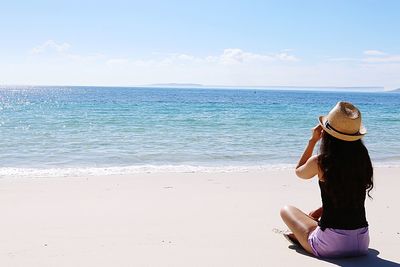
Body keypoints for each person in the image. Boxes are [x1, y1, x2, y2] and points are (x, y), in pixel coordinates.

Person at [280, 101, 373, 258]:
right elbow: (347, 194)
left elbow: (299, 172)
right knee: (316, 218)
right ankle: (309, 232)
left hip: (330, 246)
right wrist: (321, 209)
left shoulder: (322, 161)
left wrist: (312, 141)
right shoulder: (362, 160)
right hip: (362, 242)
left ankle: (306, 238)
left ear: (326, 132)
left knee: (286, 210)